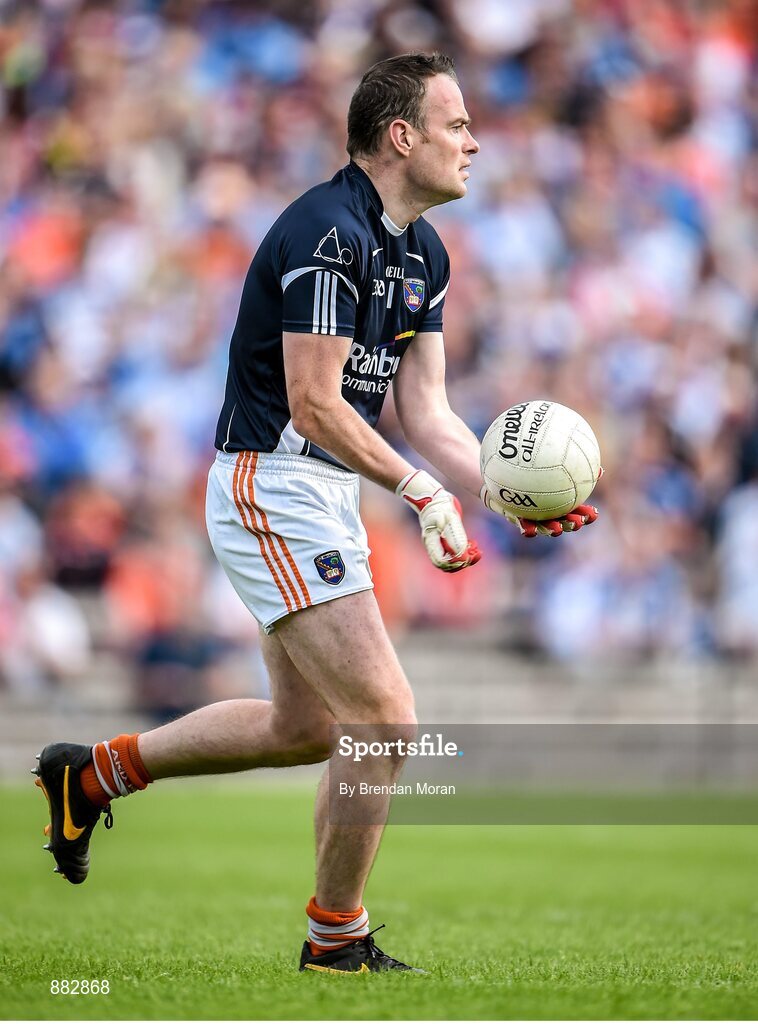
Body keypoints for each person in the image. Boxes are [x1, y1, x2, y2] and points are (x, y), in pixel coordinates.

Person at [32, 52, 598, 975]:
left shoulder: (427, 252)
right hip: (274, 483)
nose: (475, 141)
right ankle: (336, 940)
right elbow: (316, 402)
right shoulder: (329, 232)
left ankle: (91, 775)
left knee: (307, 729)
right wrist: (420, 492)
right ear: (400, 135)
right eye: (456, 125)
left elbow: (425, 414)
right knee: (385, 718)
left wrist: (499, 489)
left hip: (321, 487)